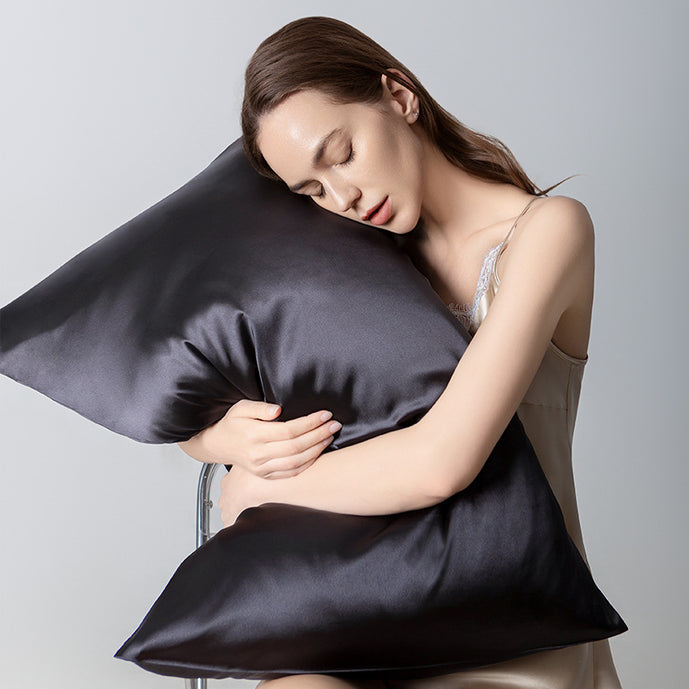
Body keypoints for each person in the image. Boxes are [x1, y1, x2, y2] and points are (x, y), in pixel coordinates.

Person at [176, 15, 624, 689]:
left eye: (342, 154)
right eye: (312, 191)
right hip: (367, 610)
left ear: (399, 96)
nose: (343, 198)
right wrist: (218, 438)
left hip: (514, 624)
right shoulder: (350, 268)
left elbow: (442, 461)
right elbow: (197, 390)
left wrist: (259, 485)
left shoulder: (548, 233)